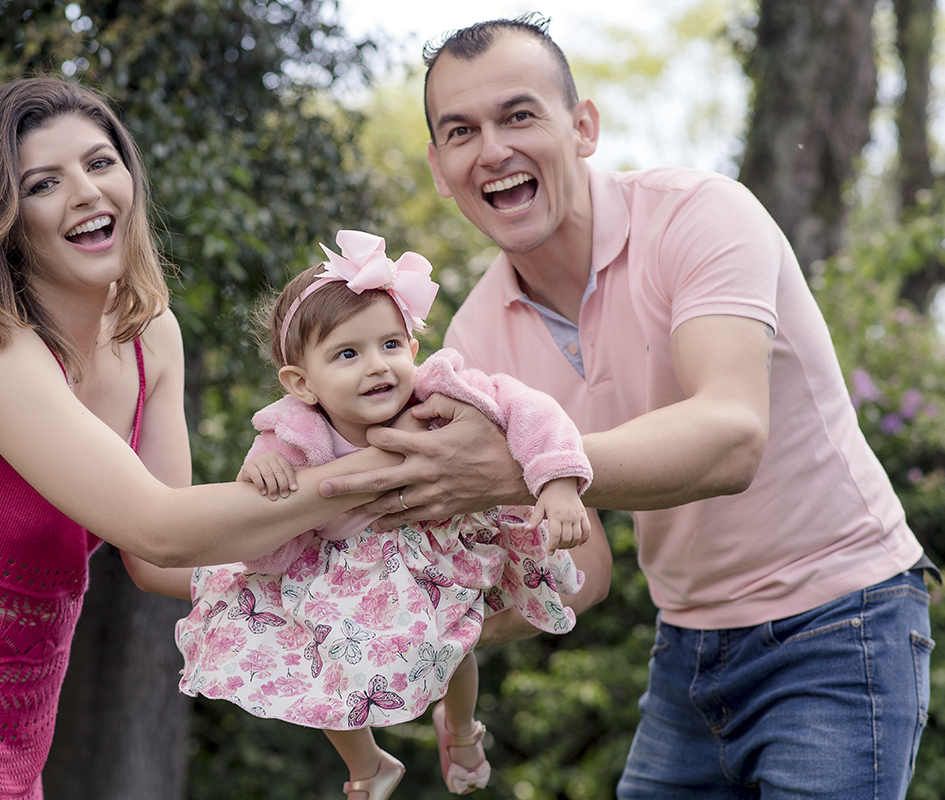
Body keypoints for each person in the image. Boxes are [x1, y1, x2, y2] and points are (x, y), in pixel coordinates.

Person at [318, 14, 939, 800]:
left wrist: (518, 471)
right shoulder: (474, 340)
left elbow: (732, 436)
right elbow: (586, 568)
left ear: (583, 127)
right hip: (688, 646)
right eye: (462, 131)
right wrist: (448, 628)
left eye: (519, 115)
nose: (494, 149)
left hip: (840, 619)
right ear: (440, 168)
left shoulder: (702, 215)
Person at [0, 77, 400, 800]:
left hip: (18, 721)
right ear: (2, 216)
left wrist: (363, 577)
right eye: (44, 183)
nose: (86, 192)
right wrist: (382, 470)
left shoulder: (152, 335)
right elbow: (158, 528)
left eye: (100, 163)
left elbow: (165, 562)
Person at [173, 230, 594, 799]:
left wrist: (558, 481)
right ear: (302, 383)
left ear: (412, 349)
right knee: (319, 666)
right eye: (348, 354)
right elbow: (267, 515)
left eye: (391, 344)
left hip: (437, 552)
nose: (378, 366)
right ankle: (369, 765)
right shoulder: (292, 434)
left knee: (457, 648)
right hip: (346, 574)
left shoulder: (440, 392)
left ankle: (462, 730)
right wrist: (262, 472)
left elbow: (531, 408)